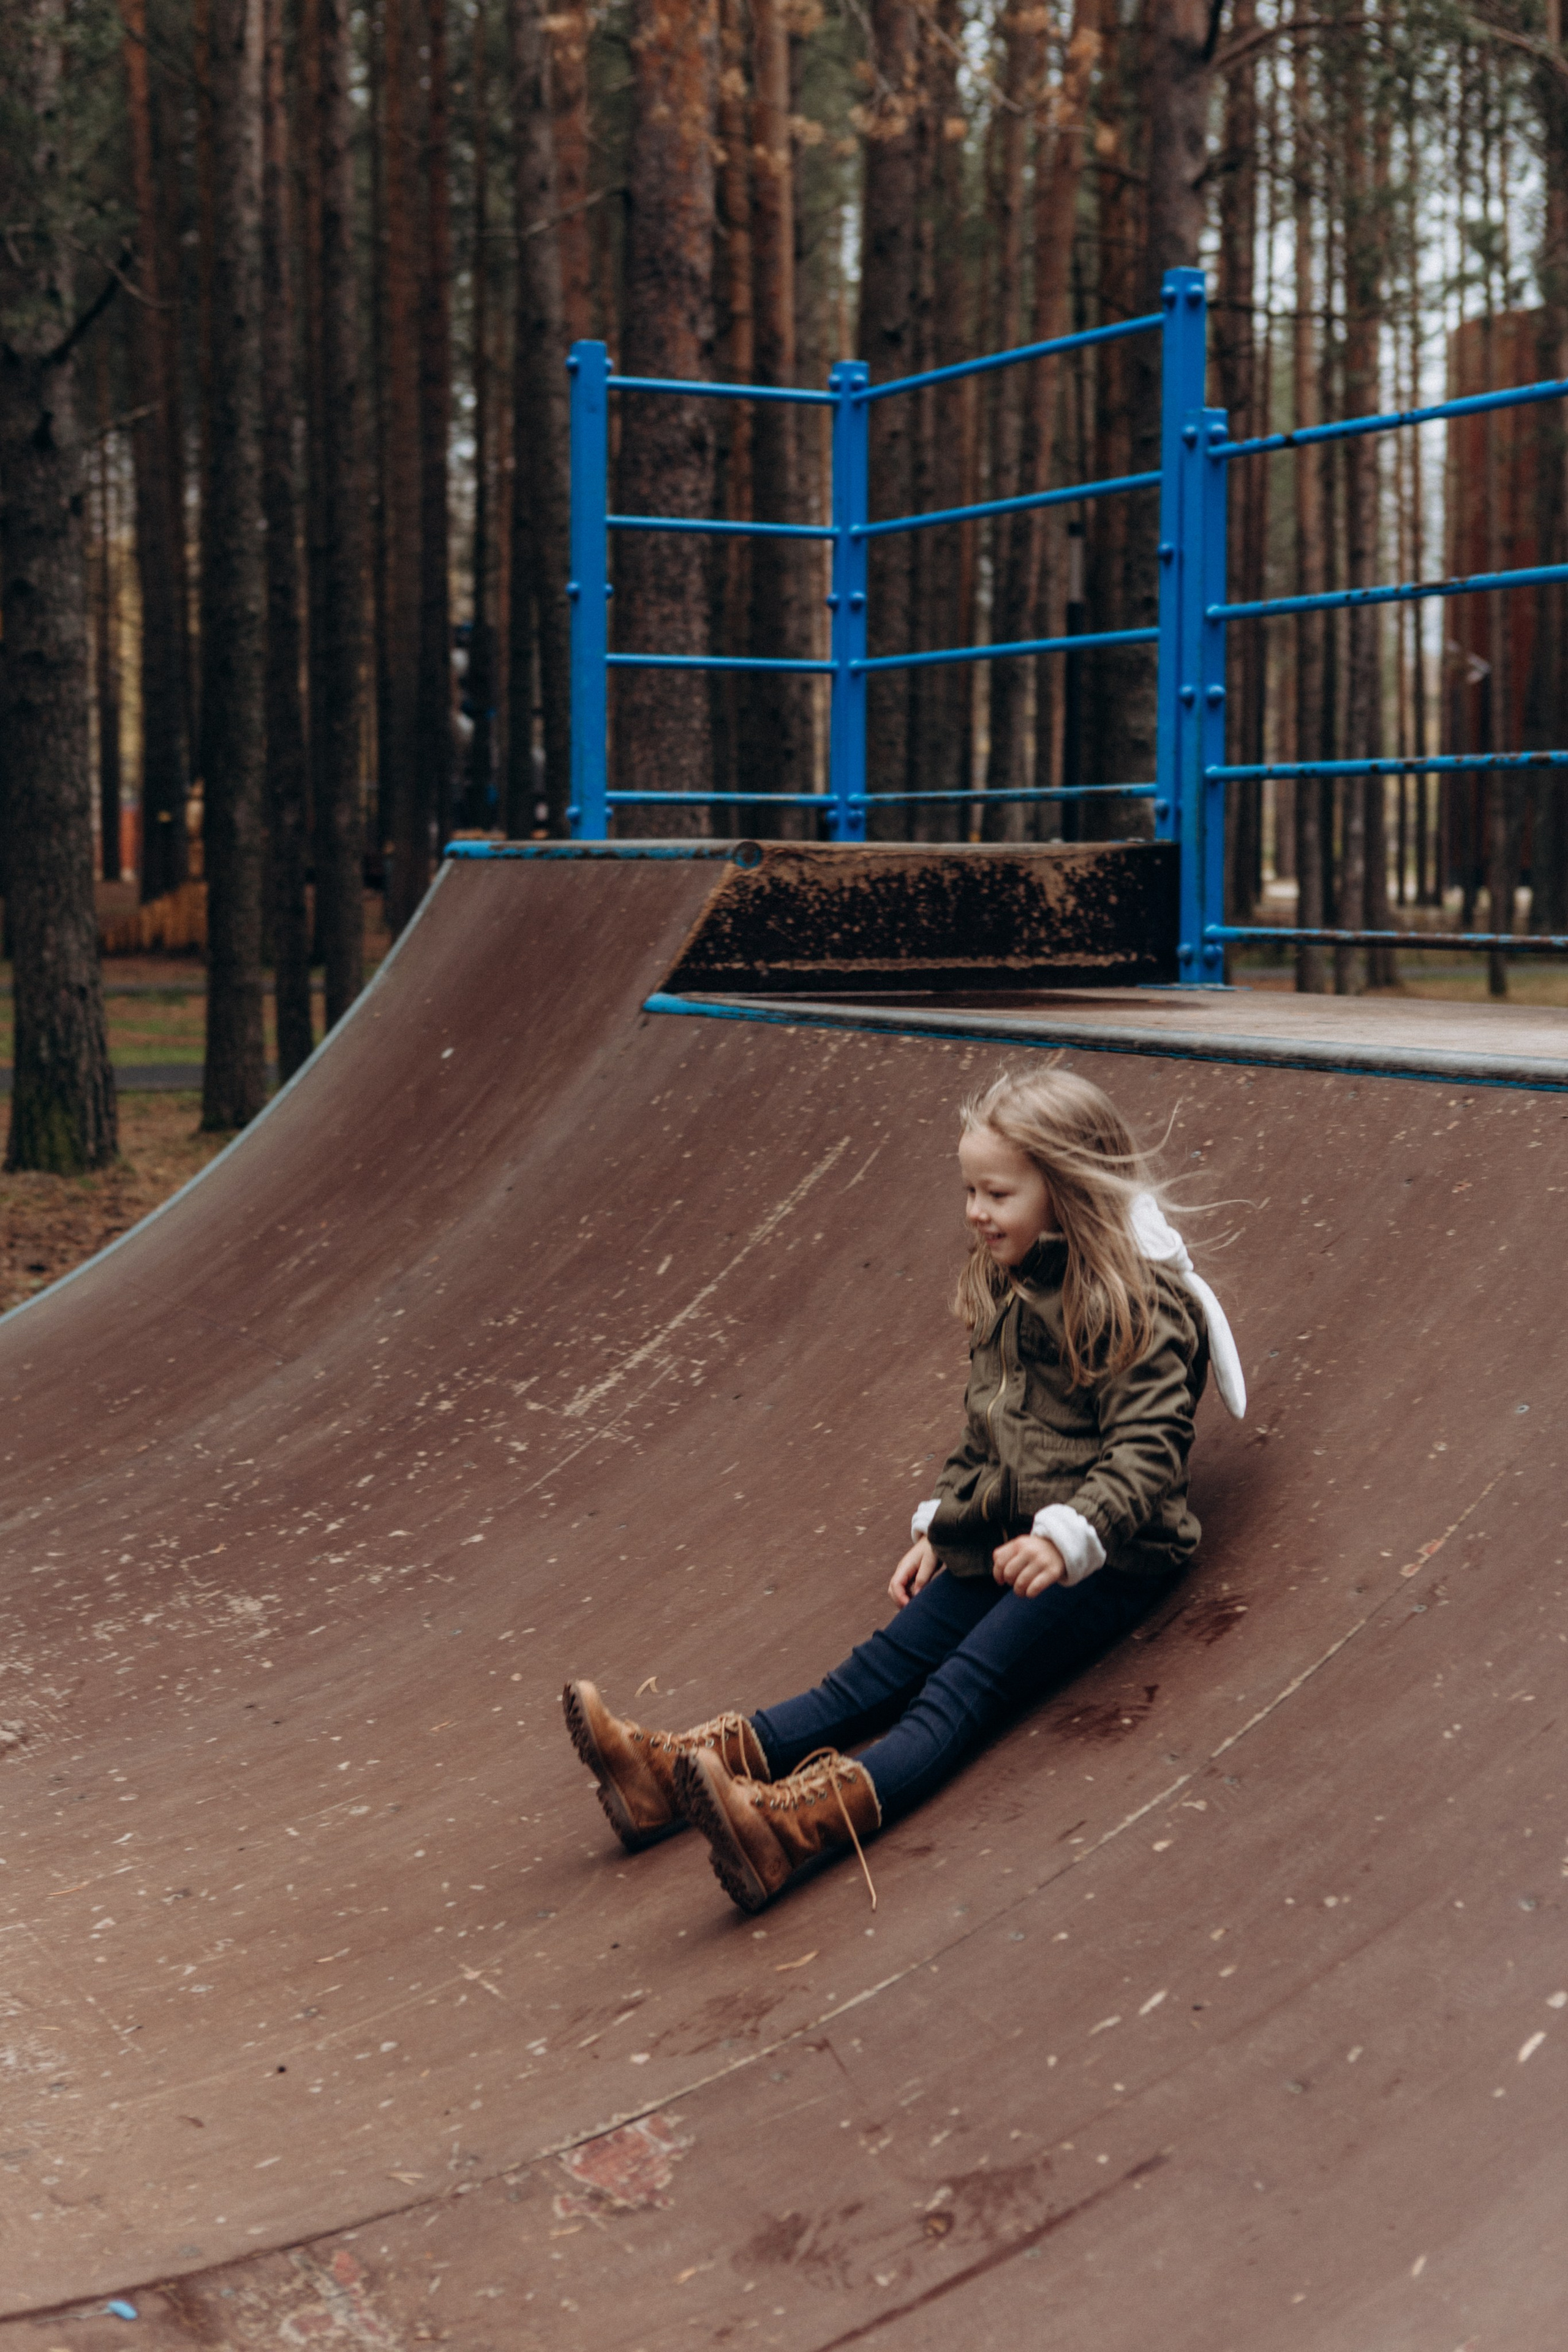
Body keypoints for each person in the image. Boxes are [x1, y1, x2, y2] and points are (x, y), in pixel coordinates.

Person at [563, 1065, 1244, 1916]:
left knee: (955, 1691)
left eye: (997, 1192)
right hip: (1007, 1535)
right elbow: (989, 1427)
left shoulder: (1138, 1303)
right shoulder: (1009, 1278)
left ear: (1066, 1190)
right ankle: (661, 1782)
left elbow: (1147, 1452)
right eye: (969, 1190)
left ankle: (785, 1831)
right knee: (867, 1679)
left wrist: (1071, 1537)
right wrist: (945, 1524)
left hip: (1105, 1556)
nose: (975, 1211)